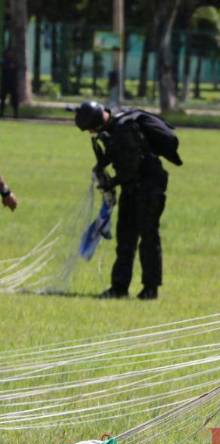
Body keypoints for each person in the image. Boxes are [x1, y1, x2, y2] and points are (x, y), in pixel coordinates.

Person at [70, 101, 182, 300]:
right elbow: (116, 157)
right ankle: (119, 287)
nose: (90, 133)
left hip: (149, 185)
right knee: (125, 237)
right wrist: (101, 170)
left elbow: (131, 167)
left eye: (90, 129)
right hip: (133, 187)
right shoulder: (115, 126)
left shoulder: (124, 128)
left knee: (148, 237)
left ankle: (150, 288)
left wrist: (110, 183)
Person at [0, 48, 19, 119]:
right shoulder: (4, 61)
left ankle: (15, 113)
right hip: (5, 83)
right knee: (2, 98)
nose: (10, 54)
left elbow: (16, 68)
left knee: (14, 99)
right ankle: (1, 113)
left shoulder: (15, 61)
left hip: (13, 84)